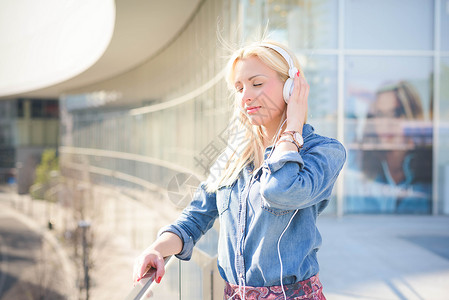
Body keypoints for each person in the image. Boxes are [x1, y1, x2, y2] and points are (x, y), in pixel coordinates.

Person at [133, 40, 346, 300]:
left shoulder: (323, 152)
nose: (245, 96)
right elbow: (196, 215)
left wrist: (292, 129)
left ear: (292, 87)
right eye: (239, 87)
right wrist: (157, 248)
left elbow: (280, 190)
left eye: (257, 84)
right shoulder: (234, 155)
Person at [346, 81, 432, 214]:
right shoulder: (360, 167)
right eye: (380, 114)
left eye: (395, 114)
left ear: (411, 116)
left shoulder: (428, 171)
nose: (386, 123)